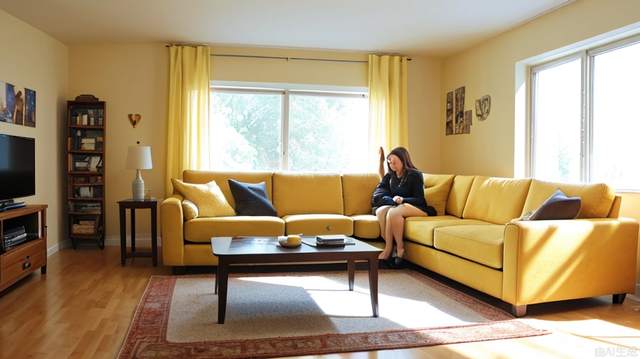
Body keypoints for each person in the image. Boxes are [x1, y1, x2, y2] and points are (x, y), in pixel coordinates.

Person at [372, 147, 435, 264]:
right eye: (389, 162)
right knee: (381, 211)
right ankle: (389, 248)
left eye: (394, 162)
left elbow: (420, 199)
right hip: (400, 206)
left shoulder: (414, 175)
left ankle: (400, 249)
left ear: (403, 160)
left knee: (394, 212)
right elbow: (382, 179)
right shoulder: (392, 176)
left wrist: (403, 200)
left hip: (418, 207)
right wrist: (380, 161)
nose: (391, 164)